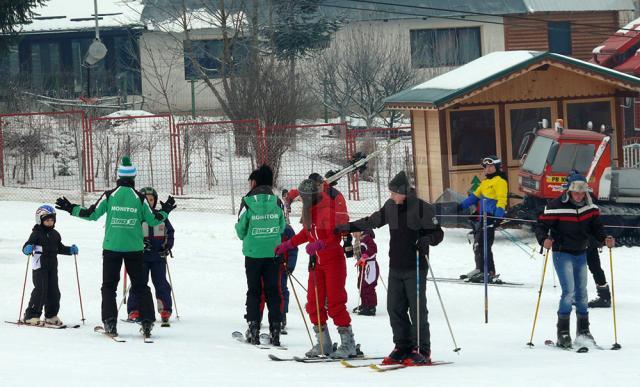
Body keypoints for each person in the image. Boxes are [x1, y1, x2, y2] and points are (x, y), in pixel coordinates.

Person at [55, 156, 176, 338]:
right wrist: (165, 210)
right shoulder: (140, 198)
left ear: (118, 177)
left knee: (109, 287)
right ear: (133, 178)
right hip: (135, 249)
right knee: (141, 286)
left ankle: (110, 322)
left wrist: (71, 208)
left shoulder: (110, 195)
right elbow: (153, 219)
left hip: (112, 248)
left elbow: (92, 214)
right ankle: (148, 322)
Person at [335, 170, 444, 366]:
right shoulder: (391, 206)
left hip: (415, 266)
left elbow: (438, 233)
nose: (391, 196)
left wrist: (427, 239)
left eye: (394, 192)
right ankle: (402, 346)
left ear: (404, 192)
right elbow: (373, 220)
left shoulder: (421, 208)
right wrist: (348, 227)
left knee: (417, 309)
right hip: (396, 266)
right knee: (395, 308)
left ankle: (422, 350)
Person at [275, 177, 357, 359]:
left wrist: (320, 244)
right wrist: (288, 244)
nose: (302, 200)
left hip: (333, 260)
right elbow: (307, 233)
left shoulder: (327, 209)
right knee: (314, 303)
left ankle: (348, 343)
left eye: (305, 197)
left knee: (335, 302)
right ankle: (323, 343)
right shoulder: (309, 210)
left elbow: (334, 236)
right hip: (316, 263)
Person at [535, 171, 615, 348]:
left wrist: (604, 238)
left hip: (581, 252)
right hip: (562, 253)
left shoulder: (590, 206)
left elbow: (597, 227)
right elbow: (541, 225)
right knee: (569, 291)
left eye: (582, 191)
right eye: (576, 191)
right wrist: (544, 240)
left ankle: (583, 331)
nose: (579, 195)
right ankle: (563, 332)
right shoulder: (556, 205)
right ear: (568, 190)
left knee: (582, 292)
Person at [236, 165, 286, 346]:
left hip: (253, 254)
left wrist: (250, 237)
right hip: (273, 253)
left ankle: (254, 327)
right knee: (274, 291)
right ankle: (275, 328)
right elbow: (282, 227)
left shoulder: (248, 201)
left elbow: (240, 229)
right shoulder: (277, 202)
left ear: (255, 181)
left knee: (254, 290)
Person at [21, 205, 78, 326]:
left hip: (52, 266)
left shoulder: (55, 234)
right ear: (40, 220)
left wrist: (70, 250)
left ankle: (51, 315)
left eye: (52, 220)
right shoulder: (36, 234)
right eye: (47, 220)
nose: (50, 222)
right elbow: (27, 245)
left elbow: (59, 248)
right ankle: (31, 315)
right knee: (41, 290)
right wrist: (27, 249)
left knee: (54, 291)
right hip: (40, 266)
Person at [127, 187, 175, 325]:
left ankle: (165, 309)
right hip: (141, 257)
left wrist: (167, 246)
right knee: (139, 283)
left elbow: (170, 232)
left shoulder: (161, 216)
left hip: (158, 257)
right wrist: (140, 243)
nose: (149, 202)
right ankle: (134, 310)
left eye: (152, 199)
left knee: (161, 283)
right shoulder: (137, 217)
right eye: (146, 200)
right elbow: (130, 234)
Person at [459, 155, 508, 283]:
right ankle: (479, 268)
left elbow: (502, 200)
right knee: (477, 244)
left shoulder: (500, 181)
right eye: (486, 166)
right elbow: (474, 197)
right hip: (483, 218)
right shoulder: (485, 183)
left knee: (484, 245)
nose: (488, 169)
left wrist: (498, 217)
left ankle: (489, 271)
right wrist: (461, 206)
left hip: (491, 218)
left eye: (491, 166)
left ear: (496, 167)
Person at [350, 230, 379, 316]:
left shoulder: (367, 238)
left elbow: (373, 249)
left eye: (355, 232)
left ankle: (371, 307)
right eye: (352, 233)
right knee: (361, 284)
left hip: (370, 266)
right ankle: (365, 304)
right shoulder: (358, 241)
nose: (353, 234)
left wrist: (365, 256)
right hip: (363, 266)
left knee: (368, 285)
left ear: (361, 231)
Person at [586, 241, 611, 308]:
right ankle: (605, 297)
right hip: (590, 242)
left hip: (584, 242)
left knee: (594, 268)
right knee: (595, 268)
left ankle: (604, 298)